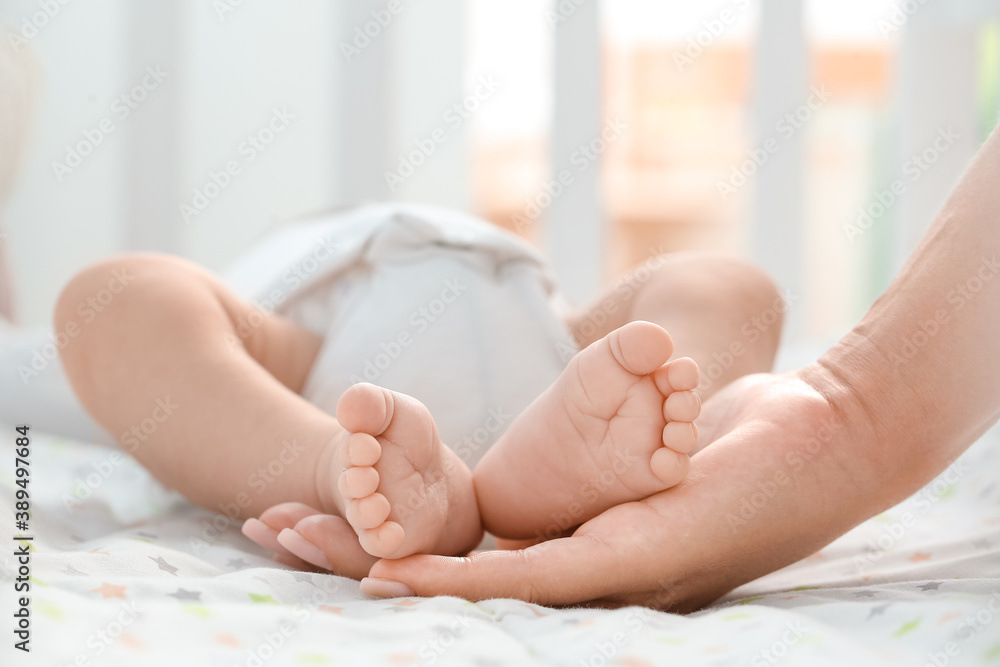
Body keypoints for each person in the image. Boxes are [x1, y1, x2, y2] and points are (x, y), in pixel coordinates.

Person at [347, 122, 1000, 607]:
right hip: (410, 382)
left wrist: (849, 415)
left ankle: (597, 453)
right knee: (714, 295)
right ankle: (535, 478)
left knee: (729, 286)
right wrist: (324, 464)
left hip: (513, 346)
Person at [55, 207, 784, 580]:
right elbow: (187, 377)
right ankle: (329, 465)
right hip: (310, 380)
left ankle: (604, 434)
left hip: (566, 374)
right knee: (113, 299)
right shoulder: (275, 298)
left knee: (734, 285)